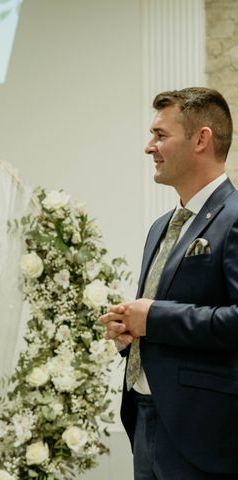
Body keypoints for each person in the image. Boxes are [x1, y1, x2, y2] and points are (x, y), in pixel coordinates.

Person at [98, 88, 238, 479]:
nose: (149, 147)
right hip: (145, 417)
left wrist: (154, 318)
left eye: (160, 135)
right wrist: (131, 330)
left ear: (200, 139)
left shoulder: (235, 218)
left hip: (204, 433)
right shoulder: (161, 227)